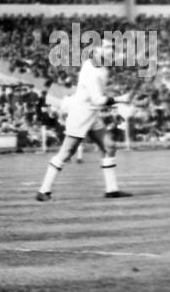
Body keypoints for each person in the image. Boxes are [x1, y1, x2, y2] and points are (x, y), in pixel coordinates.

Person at [36, 41, 133, 201]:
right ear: (97, 50)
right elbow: (98, 100)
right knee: (67, 152)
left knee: (109, 145)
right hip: (80, 114)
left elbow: (119, 58)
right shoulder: (92, 70)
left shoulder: (100, 63)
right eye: (108, 48)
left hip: (92, 113)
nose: (111, 51)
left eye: (112, 48)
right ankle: (44, 191)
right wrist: (121, 99)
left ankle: (112, 190)